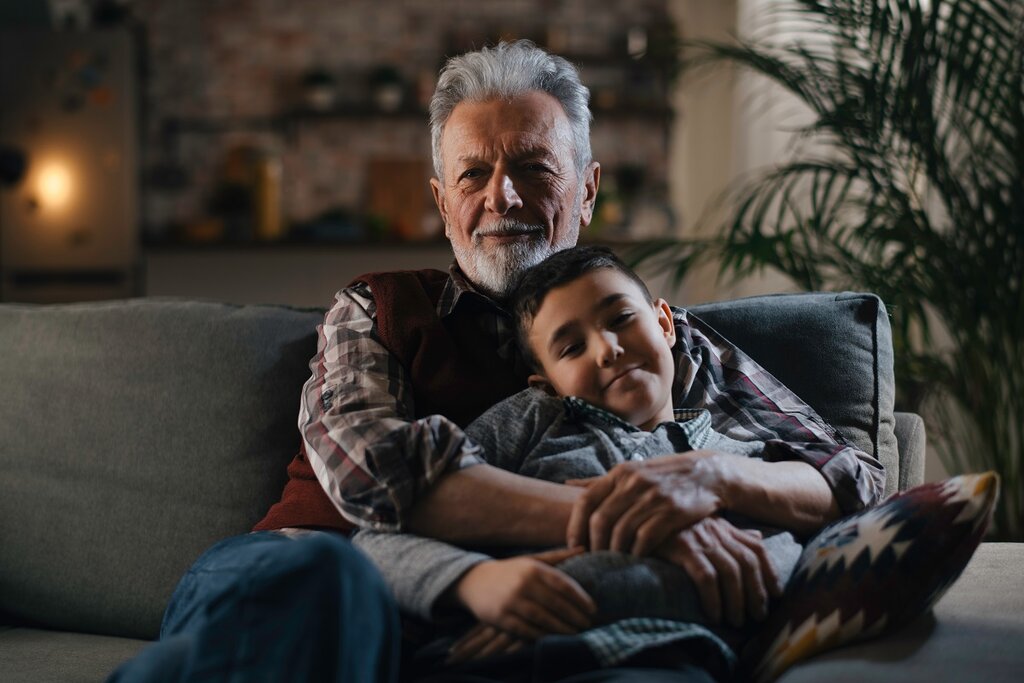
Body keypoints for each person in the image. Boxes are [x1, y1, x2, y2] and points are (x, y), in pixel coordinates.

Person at [113, 40, 883, 683]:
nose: (501, 195)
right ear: (442, 200)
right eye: (472, 174)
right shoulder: (374, 306)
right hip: (295, 570)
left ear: (586, 190)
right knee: (329, 582)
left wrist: (710, 479)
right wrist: (641, 522)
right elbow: (377, 475)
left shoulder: (657, 337)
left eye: (534, 168)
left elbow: (853, 478)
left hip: (447, 625)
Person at [353, 246, 813, 681]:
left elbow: (769, 573)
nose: (606, 349)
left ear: (665, 322)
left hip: (648, 657)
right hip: (484, 663)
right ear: (546, 384)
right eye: (571, 348)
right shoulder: (531, 419)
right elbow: (376, 541)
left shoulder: (737, 463)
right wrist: (475, 582)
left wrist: (566, 599)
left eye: (621, 318)